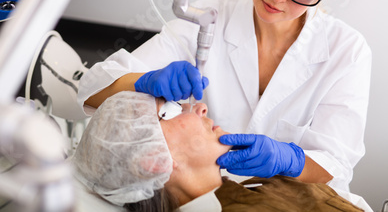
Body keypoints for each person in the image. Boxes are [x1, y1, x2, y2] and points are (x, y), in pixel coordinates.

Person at [76, 0, 371, 191]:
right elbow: (92, 91)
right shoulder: (206, 19)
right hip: (207, 190)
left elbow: (337, 162)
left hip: (293, 197)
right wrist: (142, 82)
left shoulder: (347, 51)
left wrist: (289, 161)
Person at [72, 91, 367, 211]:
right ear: (153, 161)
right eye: (170, 110)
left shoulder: (244, 190)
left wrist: (294, 163)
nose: (200, 106)